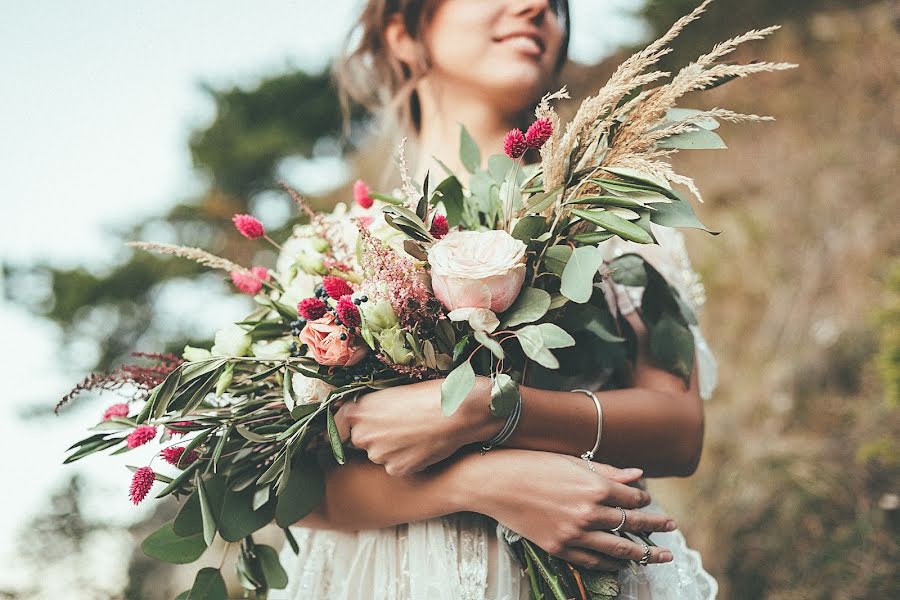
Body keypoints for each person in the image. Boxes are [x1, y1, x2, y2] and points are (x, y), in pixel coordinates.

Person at [272, 1, 719, 598]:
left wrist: (489, 410)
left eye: (557, 3)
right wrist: (477, 482)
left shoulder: (611, 212)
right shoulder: (329, 249)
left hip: (580, 572)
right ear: (404, 32)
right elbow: (287, 490)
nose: (538, 7)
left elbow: (679, 430)